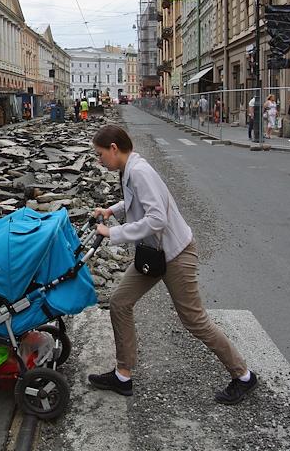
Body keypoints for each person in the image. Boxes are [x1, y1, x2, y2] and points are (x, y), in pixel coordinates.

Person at [87, 125, 258, 404]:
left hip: (176, 254)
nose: (99, 160)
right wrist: (112, 210)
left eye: (100, 154)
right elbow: (136, 202)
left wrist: (113, 233)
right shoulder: (131, 168)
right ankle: (123, 376)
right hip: (152, 253)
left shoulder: (139, 171)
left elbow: (157, 219)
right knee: (119, 303)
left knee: (194, 320)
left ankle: (243, 376)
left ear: (114, 149)